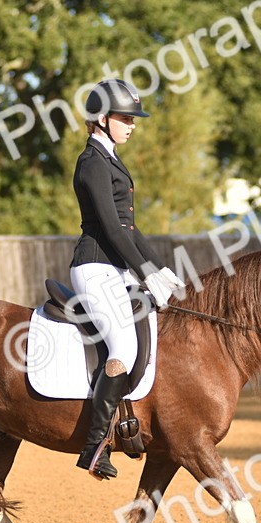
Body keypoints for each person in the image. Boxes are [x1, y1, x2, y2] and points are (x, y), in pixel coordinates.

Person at [69, 79, 185, 480]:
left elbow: (131, 231)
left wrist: (162, 270)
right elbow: (112, 232)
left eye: (134, 118)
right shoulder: (92, 163)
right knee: (122, 345)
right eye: (124, 117)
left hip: (115, 269)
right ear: (101, 119)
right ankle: (94, 446)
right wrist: (146, 274)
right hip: (95, 268)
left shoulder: (112, 159)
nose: (132, 124)